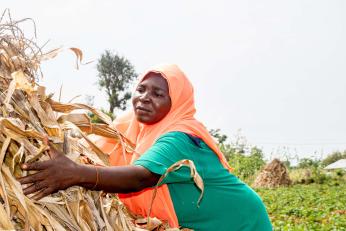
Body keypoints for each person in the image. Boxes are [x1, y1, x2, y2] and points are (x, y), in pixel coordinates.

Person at [19, 64, 272, 230]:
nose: (144, 98)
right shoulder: (130, 128)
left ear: (176, 103)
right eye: (141, 89)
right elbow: (95, 152)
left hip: (241, 221)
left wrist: (74, 173)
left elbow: (142, 177)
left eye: (158, 94)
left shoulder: (180, 137)